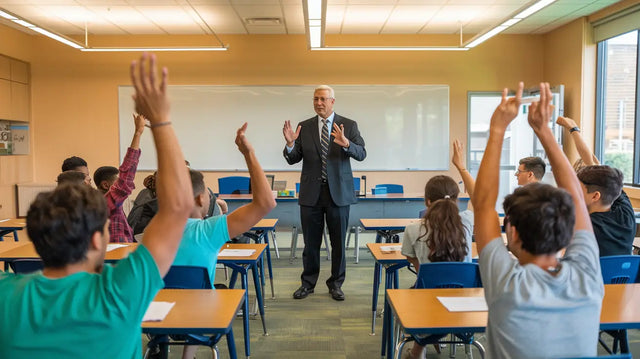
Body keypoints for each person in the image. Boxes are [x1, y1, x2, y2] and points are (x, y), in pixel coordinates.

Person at [0, 53, 193, 358]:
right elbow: (179, 207)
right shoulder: (119, 293)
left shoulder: (6, 294)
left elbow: (174, 207)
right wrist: (160, 121)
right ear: (96, 238)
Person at [473, 82, 603, 358]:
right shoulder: (588, 276)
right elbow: (578, 201)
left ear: (513, 233)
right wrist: (545, 131)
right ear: (568, 231)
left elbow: (483, 204)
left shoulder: (506, 285)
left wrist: (498, 129)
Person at [172, 123, 276, 359]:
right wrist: (248, 153)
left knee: (187, 294)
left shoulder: (152, 232)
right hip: (201, 315)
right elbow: (266, 203)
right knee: (215, 295)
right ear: (201, 199)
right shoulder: (209, 230)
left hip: (154, 314)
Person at [283, 85, 366, 301]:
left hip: (338, 194)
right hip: (311, 194)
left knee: (338, 243)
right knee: (311, 244)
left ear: (332, 101)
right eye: (315, 99)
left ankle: (336, 285)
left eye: (323, 99)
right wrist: (291, 144)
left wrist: (347, 143)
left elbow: (362, 153)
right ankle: (307, 284)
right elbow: (294, 158)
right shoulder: (305, 126)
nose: (319, 103)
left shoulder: (348, 124)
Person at [400, 175, 472, 359]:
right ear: (457, 199)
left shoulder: (413, 229)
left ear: (427, 201)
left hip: (428, 298)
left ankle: (420, 346)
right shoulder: (467, 222)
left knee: (409, 296)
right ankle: (427, 340)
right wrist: (462, 168)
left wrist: (425, 272)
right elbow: (480, 198)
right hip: (467, 301)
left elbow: (411, 259)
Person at [557, 116, 635, 256]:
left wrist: (573, 129)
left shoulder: (583, 226)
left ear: (595, 195)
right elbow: (596, 168)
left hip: (591, 278)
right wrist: (574, 130)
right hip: (624, 278)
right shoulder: (626, 215)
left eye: (579, 188)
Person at [94, 113, 145, 243]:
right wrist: (137, 133)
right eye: (116, 180)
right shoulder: (107, 203)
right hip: (117, 255)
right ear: (106, 185)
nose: (119, 183)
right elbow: (127, 174)